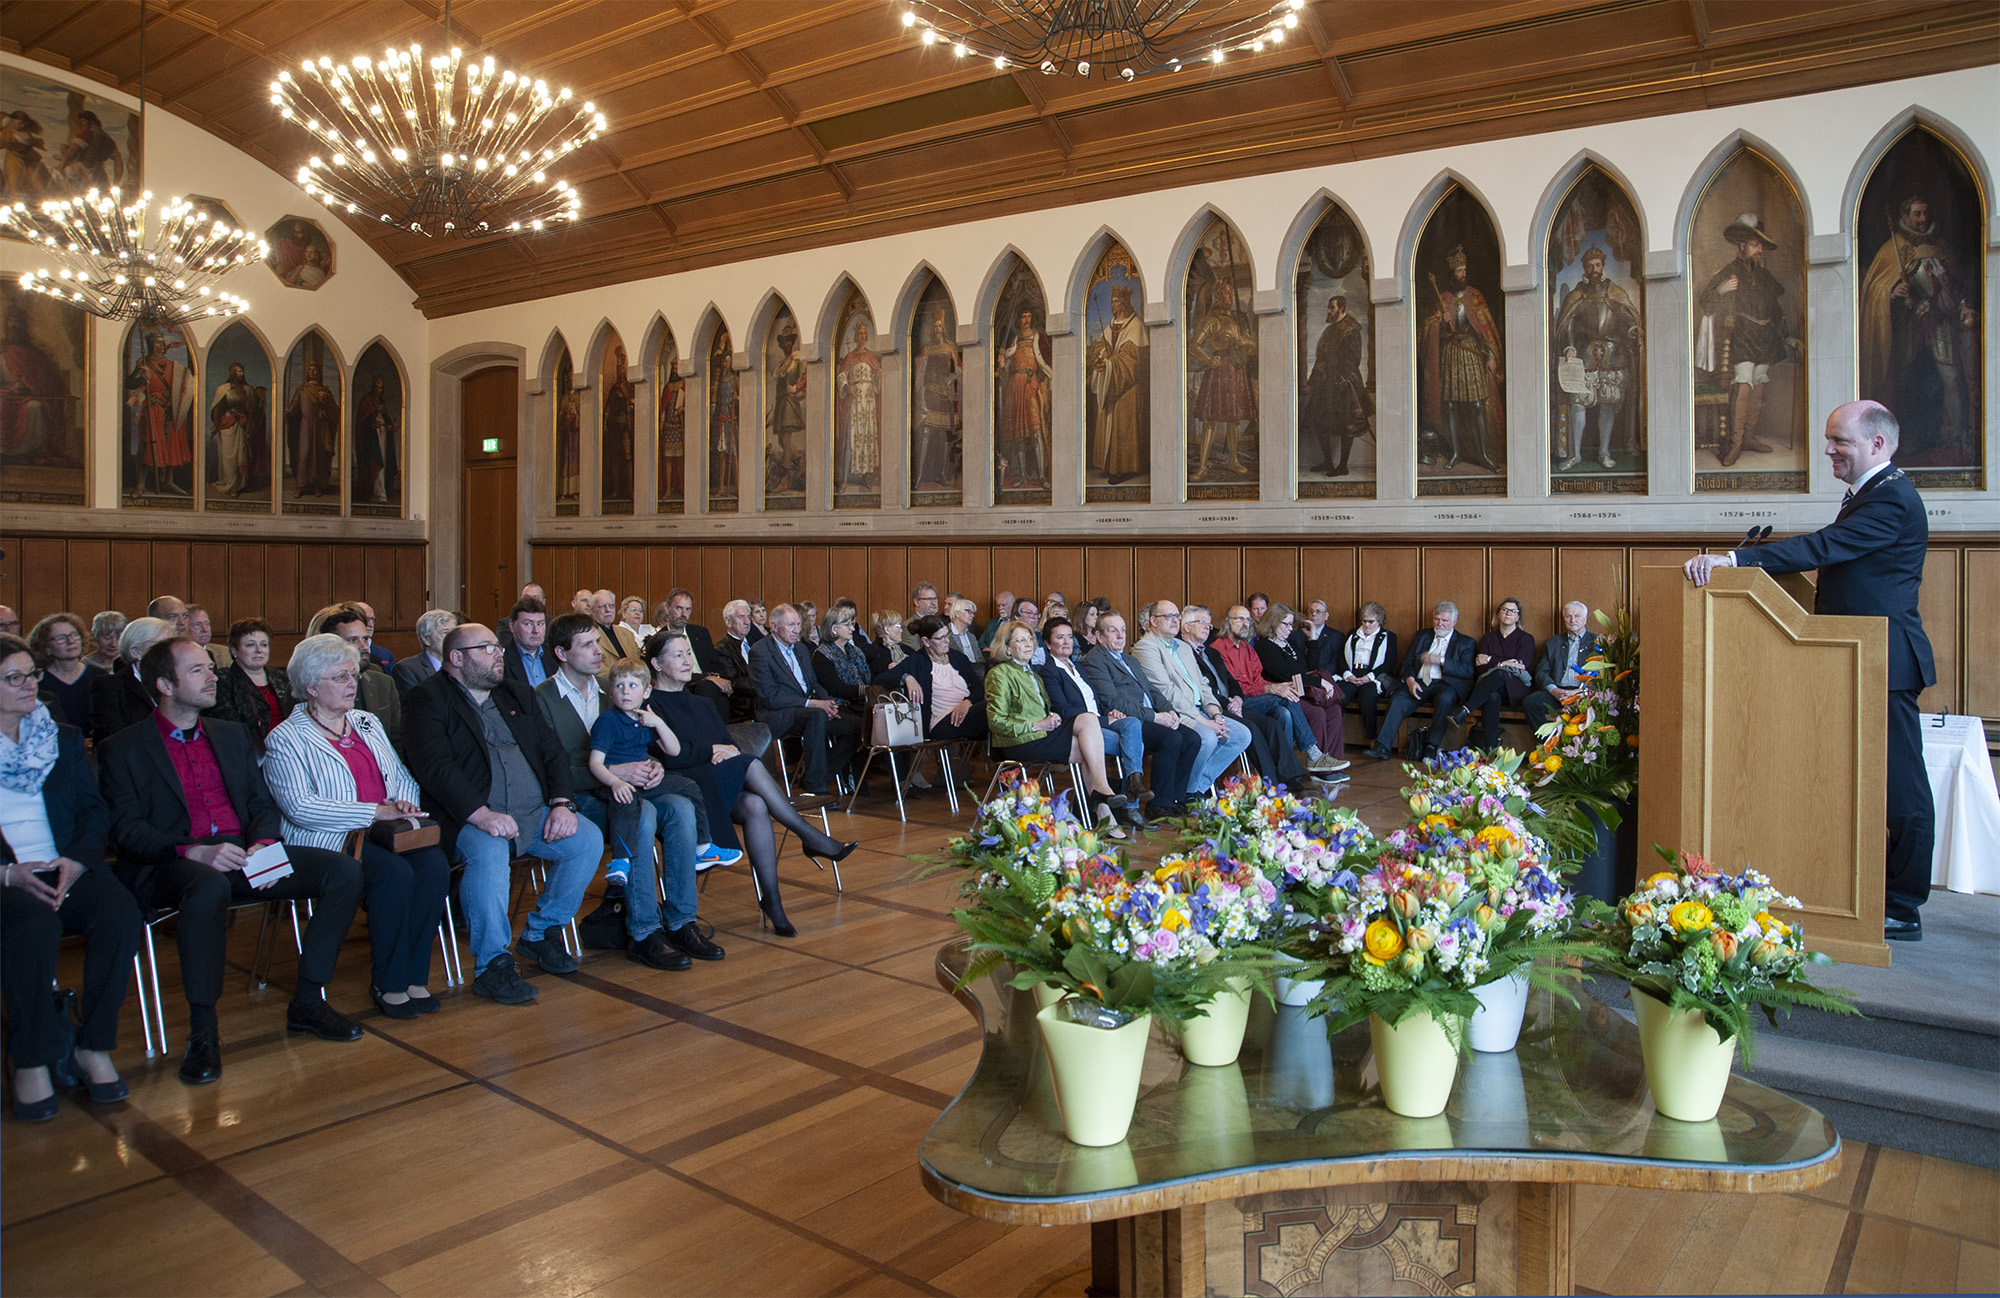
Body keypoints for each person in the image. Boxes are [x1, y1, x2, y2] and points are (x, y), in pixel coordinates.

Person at [1686, 400, 1936, 941]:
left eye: (1839, 441)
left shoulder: (1891, 497)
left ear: (1877, 444)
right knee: (1866, 785)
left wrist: (1737, 561)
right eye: (1828, 439)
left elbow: (1828, 547)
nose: (1827, 450)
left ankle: (1904, 904)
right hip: (1856, 657)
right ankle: (1868, 892)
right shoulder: (1871, 494)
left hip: (1885, 661)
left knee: (1900, 788)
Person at [99, 638, 365, 1084]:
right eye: (199, 670)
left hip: (243, 855)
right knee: (207, 885)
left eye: (211, 668)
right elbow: (126, 831)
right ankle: (203, 1032)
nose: (213, 677)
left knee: (342, 870)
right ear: (164, 684)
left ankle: (307, 999)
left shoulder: (229, 734)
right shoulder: (122, 748)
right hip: (169, 863)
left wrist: (263, 840)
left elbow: (260, 803)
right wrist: (193, 851)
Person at [403, 624, 609, 1004]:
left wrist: (563, 803)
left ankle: (539, 933)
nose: (499, 653)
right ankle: (492, 964)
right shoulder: (427, 699)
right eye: (487, 648)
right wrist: (480, 814)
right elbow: (435, 767)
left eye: (498, 647)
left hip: (533, 813)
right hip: (468, 818)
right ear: (457, 658)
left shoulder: (515, 693)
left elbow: (551, 751)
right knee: (490, 850)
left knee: (587, 839)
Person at [262, 635, 451, 1019]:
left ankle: (415, 977)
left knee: (433, 867)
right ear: (311, 688)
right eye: (340, 677)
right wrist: (372, 812)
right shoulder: (286, 738)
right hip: (330, 841)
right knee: (394, 875)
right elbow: (301, 808)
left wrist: (402, 802)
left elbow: (398, 774)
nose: (352, 684)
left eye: (353, 675)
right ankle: (388, 981)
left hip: (388, 829)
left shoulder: (367, 721)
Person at [0, 634, 142, 1121]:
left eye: (32, 675)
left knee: (120, 914)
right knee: (33, 926)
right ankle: (33, 1057)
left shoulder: (57, 736)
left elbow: (91, 811)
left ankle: (93, 1045)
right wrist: (7, 874)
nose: (28, 686)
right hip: (8, 878)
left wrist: (78, 860)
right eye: (13, 678)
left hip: (66, 864)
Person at [534, 614, 725, 965]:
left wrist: (652, 767)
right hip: (578, 798)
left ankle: (681, 920)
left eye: (597, 642)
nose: (598, 651)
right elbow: (548, 770)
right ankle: (643, 932)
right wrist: (612, 772)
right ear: (562, 653)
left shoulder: (612, 690)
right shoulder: (542, 698)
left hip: (627, 790)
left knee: (681, 806)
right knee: (644, 814)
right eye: (588, 645)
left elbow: (637, 744)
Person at [645, 631, 857, 937]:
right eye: (677, 655)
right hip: (683, 787)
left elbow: (728, 747)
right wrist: (712, 752)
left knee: (756, 804)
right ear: (656, 663)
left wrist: (722, 751)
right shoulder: (651, 704)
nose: (687, 660)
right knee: (752, 763)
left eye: (688, 654)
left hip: (715, 781)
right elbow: (670, 757)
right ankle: (810, 836)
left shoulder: (703, 703)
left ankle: (773, 900)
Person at [1860, 196, 1980, 461]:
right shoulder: (1894, 247)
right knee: (1905, 382)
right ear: (1905, 217)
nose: (1923, 219)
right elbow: (1875, 288)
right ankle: (1902, 441)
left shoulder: (1940, 246)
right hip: (1907, 329)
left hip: (1940, 325)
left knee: (1948, 379)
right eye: (1917, 214)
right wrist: (1891, 292)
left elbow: (1960, 285)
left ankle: (1958, 438)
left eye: (1925, 213)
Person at [985, 621, 1128, 835]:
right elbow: (996, 722)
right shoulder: (999, 674)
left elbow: (1043, 710)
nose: (1028, 644)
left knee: (1088, 744)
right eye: (1021, 640)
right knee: (1088, 729)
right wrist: (1037, 724)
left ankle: (1105, 813)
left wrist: (1051, 717)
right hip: (1018, 742)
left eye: (1029, 639)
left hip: (1041, 735)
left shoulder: (1032, 674)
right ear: (1006, 647)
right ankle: (1103, 795)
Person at [1178, 607, 1325, 793]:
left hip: (1237, 701)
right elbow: (1208, 689)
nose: (1245, 624)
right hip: (1219, 706)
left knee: (1278, 718)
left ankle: (1287, 778)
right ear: (1227, 622)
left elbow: (1233, 683)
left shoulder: (1221, 652)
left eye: (1248, 620)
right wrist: (1262, 692)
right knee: (1273, 711)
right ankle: (1277, 780)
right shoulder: (1215, 649)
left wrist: (1238, 698)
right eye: (1240, 619)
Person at [1696, 212, 1796, 467]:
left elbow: (1775, 305)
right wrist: (1720, 290)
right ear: (1742, 246)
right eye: (1755, 244)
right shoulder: (1728, 272)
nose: (1759, 249)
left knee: (1759, 387)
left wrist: (1789, 336)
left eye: (1761, 245)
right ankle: (1736, 443)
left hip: (1765, 336)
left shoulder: (1764, 275)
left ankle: (1750, 438)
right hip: (1741, 336)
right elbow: (1705, 302)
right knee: (1743, 387)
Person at [1079, 612, 1199, 820]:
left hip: (1151, 714)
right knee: (1171, 739)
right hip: (1128, 718)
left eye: (1123, 630)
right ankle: (1158, 804)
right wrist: (1155, 716)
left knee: (1192, 738)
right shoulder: (1095, 660)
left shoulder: (1129, 659)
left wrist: (1169, 710)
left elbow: (1150, 689)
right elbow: (1113, 701)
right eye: (1113, 630)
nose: (1120, 635)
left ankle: (1175, 799)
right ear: (1099, 636)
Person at [1129, 601, 1253, 799]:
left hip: (1201, 710)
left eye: (1177, 616)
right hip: (1176, 713)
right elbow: (1166, 691)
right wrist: (1203, 721)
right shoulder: (1145, 647)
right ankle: (1189, 792)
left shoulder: (1183, 647)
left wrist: (1216, 713)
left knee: (1241, 735)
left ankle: (1195, 786)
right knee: (1208, 736)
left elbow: (1203, 684)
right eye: (1168, 616)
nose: (1174, 621)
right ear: (1153, 621)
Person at [750, 605, 860, 795]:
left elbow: (814, 684)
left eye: (799, 624)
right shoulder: (760, 652)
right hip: (778, 714)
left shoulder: (801, 648)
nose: (797, 630)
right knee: (816, 716)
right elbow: (771, 698)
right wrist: (814, 704)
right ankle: (817, 790)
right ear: (774, 627)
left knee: (857, 726)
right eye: (791, 625)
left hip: (810, 710)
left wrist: (828, 703)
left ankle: (815, 776)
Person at [1552, 245, 1643, 471]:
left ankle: (1604, 452)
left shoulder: (1616, 292)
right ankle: (1575, 454)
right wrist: (1570, 346)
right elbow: (1567, 323)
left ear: (1602, 267)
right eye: (1590, 265)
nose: (1594, 269)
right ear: (1584, 267)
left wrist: (1633, 329)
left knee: (1608, 405)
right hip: (1584, 355)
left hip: (1613, 356)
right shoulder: (1576, 295)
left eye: (1598, 265)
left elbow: (1626, 319)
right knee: (1578, 405)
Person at [1418, 246, 1504, 471]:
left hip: (1473, 353)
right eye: (1459, 270)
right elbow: (1427, 331)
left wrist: (1492, 355)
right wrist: (1439, 322)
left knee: (1476, 404)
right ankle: (1456, 453)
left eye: (1465, 269)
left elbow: (1487, 328)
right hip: (1452, 354)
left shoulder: (1475, 296)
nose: (1463, 274)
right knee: (1453, 406)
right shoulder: (1443, 298)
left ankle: (1483, 454)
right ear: (1451, 274)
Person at [1366, 602, 1476, 762]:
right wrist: (1410, 681)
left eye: (1445, 620)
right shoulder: (1422, 636)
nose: (1440, 624)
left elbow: (1467, 671)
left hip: (1446, 684)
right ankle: (1382, 746)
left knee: (1445, 698)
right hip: (1419, 682)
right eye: (1437, 619)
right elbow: (1408, 663)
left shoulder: (1466, 642)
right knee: (1399, 698)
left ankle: (1431, 746)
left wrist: (1441, 660)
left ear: (1454, 621)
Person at [1252, 603, 1350, 772]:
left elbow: (1308, 669)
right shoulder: (1264, 646)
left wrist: (1312, 640)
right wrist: (1320, 683)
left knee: (1334, 710)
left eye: (1291, 624)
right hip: (1283, 695)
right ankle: (1319, 765)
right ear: (1274, 622)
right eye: (1286, 624)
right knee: (1317, 713)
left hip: (1301, 691)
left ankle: (1334, 763)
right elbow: (1287, 675)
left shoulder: (1290, 643)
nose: (1290, 628)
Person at [877, 614, 988, 744]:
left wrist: (967, 703)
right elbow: (881, 679)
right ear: (926, 641)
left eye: (947, 635)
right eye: (941, 638)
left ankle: (1006, 759)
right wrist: (907, 677)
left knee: (999, 708)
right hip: (941, 722)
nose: (947, 640)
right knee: (994, 706)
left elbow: (978, 688)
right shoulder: (916, 661)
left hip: (966, 712)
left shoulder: (959, 658)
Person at [1447, 598, 1538, 751]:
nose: (1508, 613)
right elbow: (1480, 669)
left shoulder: (1526, 639)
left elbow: (1521, 666)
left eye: (1513, 611)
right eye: (1504, 610)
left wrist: (1491, 660)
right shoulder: (1488, 638)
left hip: (1516, 689)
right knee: (1492, 696)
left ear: (1518, 617)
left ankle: (1465, 710)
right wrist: (1505, 663)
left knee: (1500, 674)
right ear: (1498, 614)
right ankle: (1490, 748)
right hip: (1489, 688)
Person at [1302, 294, 1372, 477]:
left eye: (1332, 308)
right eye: (1328, 307)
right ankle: (1327, 461)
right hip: (1326, 384)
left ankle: (1343, 465)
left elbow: (1352, 360)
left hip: (1344, 384)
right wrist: (1313, 381)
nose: (1329, 311)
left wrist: (1339, 375)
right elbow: (1321, 358)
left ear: (1341, 309)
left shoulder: (1351, 330)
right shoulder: (1330, 330)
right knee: (1319, 422)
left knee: (1347, 425)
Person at [312, 604, 402, 743]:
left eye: (365, 639)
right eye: (352, 640)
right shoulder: (313, 685)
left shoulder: (383, 682)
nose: (364, 647)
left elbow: (397, 742)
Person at [1089, 285, 1148, 486]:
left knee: (1124, 426)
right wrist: (1100, 356)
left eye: (1115, 301)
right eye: (1112, 301)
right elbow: (1100, 347)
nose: (1112, 305)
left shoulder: (1135, 325)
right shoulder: (1112, 324)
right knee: (1108, 422)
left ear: (1123, 302)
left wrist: (1111, 363)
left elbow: (1133, 359)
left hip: (1127, 388)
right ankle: (1109, 465)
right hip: (1111, 384)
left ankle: (1123, 468)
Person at [205, 617, 295, 748]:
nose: (259, 650)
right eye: (250, 644)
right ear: (234, 650)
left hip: (287, 747)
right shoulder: (223, 680)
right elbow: (228, 727)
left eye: (264, 644)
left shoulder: (281, 678)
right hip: (248, 752)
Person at [89, 615, 172, 745]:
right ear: (136, 652)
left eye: (171, 645)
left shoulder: (179, 681)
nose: (170, 652)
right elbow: (111, 739)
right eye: (160, 646)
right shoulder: (110, 687)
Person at [656, 589, 732, 722]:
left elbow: (717, 665)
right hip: (681, 686)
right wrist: (708, 678)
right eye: (679, 608)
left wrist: (716, 678)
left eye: (688, 609)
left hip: (707, 687)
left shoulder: (700, 633)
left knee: (722, 701)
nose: (684, 614)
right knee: (710, 690)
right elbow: (668, 673)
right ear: (667, 609)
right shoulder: (659, 639)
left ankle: (706, 738)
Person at [1526, 601, 1599, 732]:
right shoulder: (1553, 642)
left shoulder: (1597, 642)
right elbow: (1541, 672)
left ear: (1585, 619)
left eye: (1577, 616)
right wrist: (1555, 691)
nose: (1572, 620)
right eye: (1568, 616)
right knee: (1530, 702)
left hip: (1584, 693)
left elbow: (1602, 676)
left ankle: (1581, 750)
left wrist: (1580, 692)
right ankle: (1548, 742)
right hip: (1559, 692)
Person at [1333, 602, 1398, 745]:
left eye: (1371, 621)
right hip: (1351, 675)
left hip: (1372, 677)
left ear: (1379, 621)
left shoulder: (1388, 637)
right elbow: (1341, 658)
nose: (1367, 625)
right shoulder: (1352, 634)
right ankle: (1334, 737)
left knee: (1367, 696)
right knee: (1339, 696)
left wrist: (1368, 677)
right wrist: (1347, 675)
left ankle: (1372, 738)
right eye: (1364, 621)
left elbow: (1389, 664)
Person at [28, 612, 100, 732]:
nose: (71, 641)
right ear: (46, 647)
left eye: (74, 634)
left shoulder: (98, 676)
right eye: (61, 638)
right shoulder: (38, 680)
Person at [812, 606, 873, 725]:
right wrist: (865, 690)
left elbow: (868, 678)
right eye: (847, 625)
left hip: (860, 702)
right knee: (861, 724)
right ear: (834, 629)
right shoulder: (822, 655)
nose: (852, 628)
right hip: (838, 705)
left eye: (852, 624)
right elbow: (836, 688)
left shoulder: (856, 651)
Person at [392, 609, 457, 696]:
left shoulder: (462, 664)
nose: (452, 638)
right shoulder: (407, 669)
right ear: (426, 639)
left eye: (454, 632)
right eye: (445, 633)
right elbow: (417, 704)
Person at [714, 599, 759, 721]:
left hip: (761, 699)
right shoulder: (721, 649)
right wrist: (765, 685)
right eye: (740, 617)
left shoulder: (756, 644)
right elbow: (734, 683)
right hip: (743, 705)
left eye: (748, 617)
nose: (746, 622)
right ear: (728, 621)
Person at [502, 597, 556, 690]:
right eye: (528, 624)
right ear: (512, 626)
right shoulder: (502, 660)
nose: (536, 630)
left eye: (540, 624)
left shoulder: (554, 656)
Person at [592, 589, 641, 661]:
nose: (608, 610)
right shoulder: (589, 636)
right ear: (593, 610)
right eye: (602, 606)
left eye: (611, 606)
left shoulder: (627, 633)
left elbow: (639, 659)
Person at [186, 605, 229, 670]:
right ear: (185, 628)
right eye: (198, 624)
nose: (205, 629)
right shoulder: (180, 655)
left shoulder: (224, 652)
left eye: (207, 624)